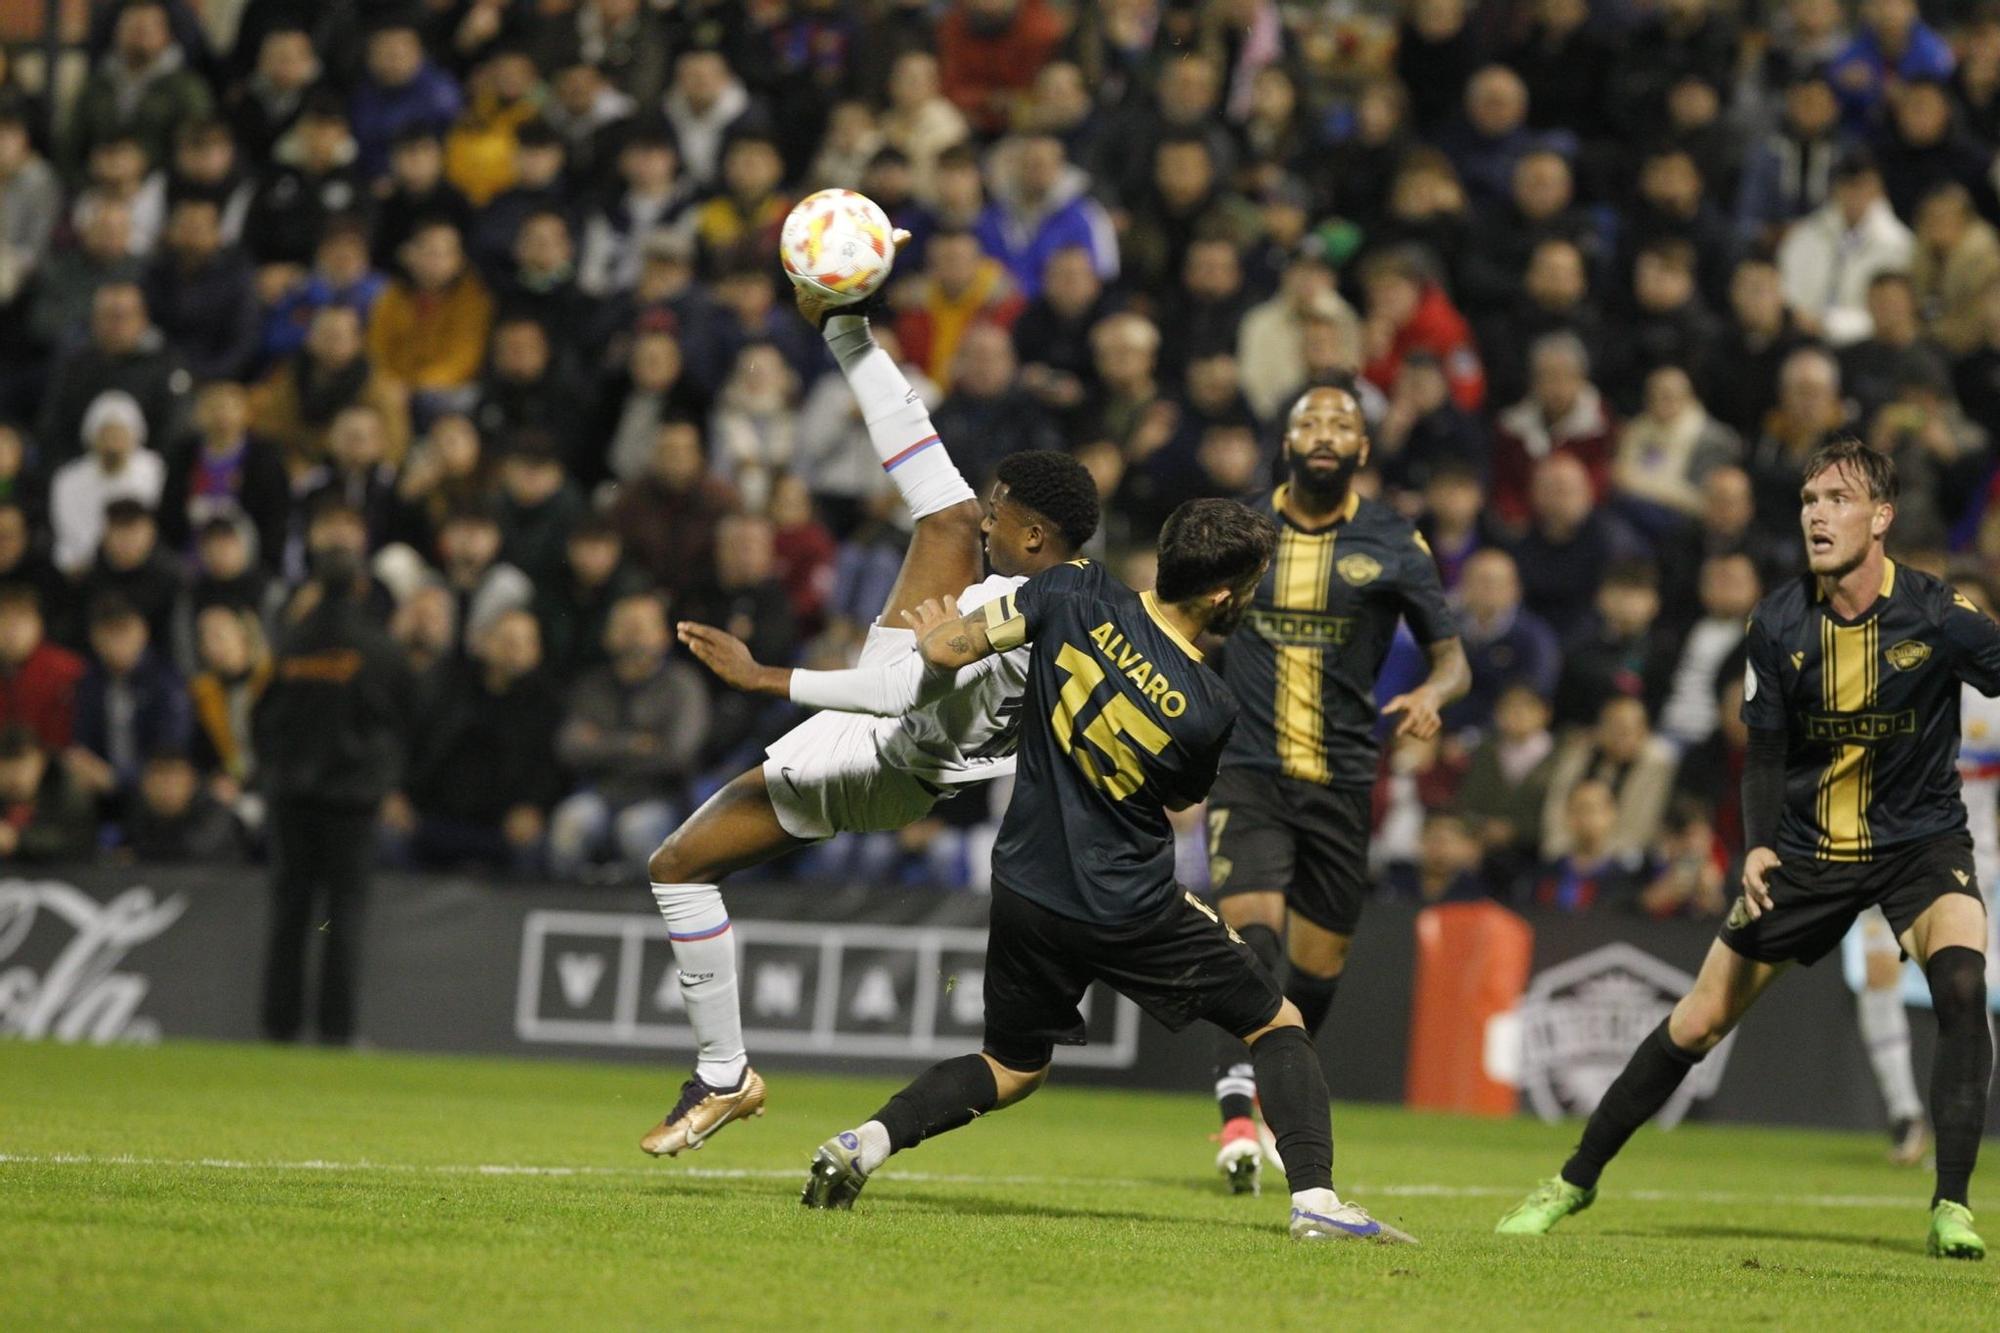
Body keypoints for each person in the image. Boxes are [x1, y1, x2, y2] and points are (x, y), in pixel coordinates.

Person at [796, 499, 1411, 1245]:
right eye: (1250, 583)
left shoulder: (1073, 588)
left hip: (1025, 884)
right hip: (1126, 902)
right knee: (1276, 1021)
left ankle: (866, 1140)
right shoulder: (1209, 707)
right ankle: (1316, 1198)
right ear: (1222, 596)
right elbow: (1181, 796)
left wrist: (931, 638)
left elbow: (952, 649)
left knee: (1011, 1064)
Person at [1497, 439, 1997, 1261]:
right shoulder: (1779, 621)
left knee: (1962, 982)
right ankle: (1574, 1178)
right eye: (1808, 499)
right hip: (1807, 852)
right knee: (1696, 1021)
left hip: (1920, 843)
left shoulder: (1940, 614)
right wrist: (1758, 848)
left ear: (1881, 518)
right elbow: (1763, 754)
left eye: (1837, 499)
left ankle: (1951, 1204)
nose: (1816, 514)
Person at [636, 281, 1099, 1159]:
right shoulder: (1068, 599)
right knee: (943, 510)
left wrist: (763, 674)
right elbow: (940, 496)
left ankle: (726, 1075)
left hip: (883, 758)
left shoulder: (1005, 612)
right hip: (911, 726)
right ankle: (848, 331)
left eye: (1005, 514)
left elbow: (892, 700)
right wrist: (848, 330)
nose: (989, 518)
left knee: (678, 866)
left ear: (1035, 536)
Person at [1202, 379, 1468, 1195]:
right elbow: (1180, 621)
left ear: (1361, 449)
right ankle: (1238, 1113)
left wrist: (1431, 693)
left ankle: (1267, 1096)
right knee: (1255, 949)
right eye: (1308, 420)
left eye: (1341, 422)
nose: (1324, 431)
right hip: (1247, 772)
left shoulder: (1394, 540)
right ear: (1285, 445)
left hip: (1343, 783)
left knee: (1313, 978)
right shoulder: (1240, 527)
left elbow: (1452, 655)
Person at [253, 537, 415, 1045]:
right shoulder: (380, 648)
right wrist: (387, 780)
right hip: (353, 801)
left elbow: (262, 717)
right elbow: (404, 719)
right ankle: (336, 1030)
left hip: (291, 797)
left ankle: (279, 1026)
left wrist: (275, 769)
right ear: (362, 586)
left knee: (290, 914)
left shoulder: (291, 643)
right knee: (343, 916)